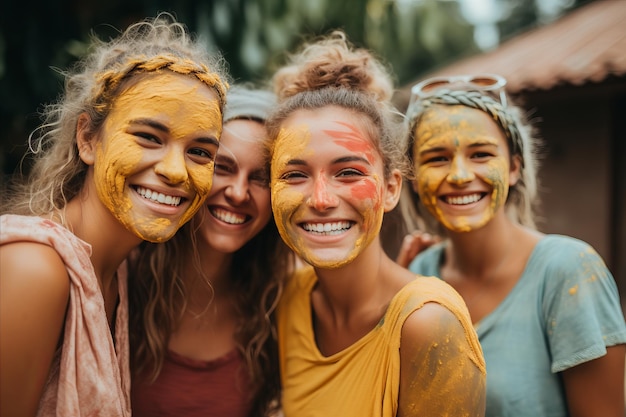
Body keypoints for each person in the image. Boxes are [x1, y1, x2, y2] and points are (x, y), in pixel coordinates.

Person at [0, 14, 229, 417]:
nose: (176, 170)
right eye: (148, 137)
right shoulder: (34, 269)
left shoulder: (122, 272)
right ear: (88, 138)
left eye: (200, 152)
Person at [265, 31, 486, 417]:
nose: (320, 200)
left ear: (390, 188)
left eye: (348, 172)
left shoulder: (428, 323)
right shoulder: (289, 299)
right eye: (295, 175)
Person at [399, 73, 626, 416]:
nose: (460, 175)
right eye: (437, 158)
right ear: (414, 179)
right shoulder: (418, 276)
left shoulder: (569, 271)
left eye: (480, 154)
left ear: (513, 168)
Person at [128, 85, 293, 417]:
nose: (238, 192)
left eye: (260, 177)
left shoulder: (278, 300)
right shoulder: (122, 277)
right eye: (222, 167)